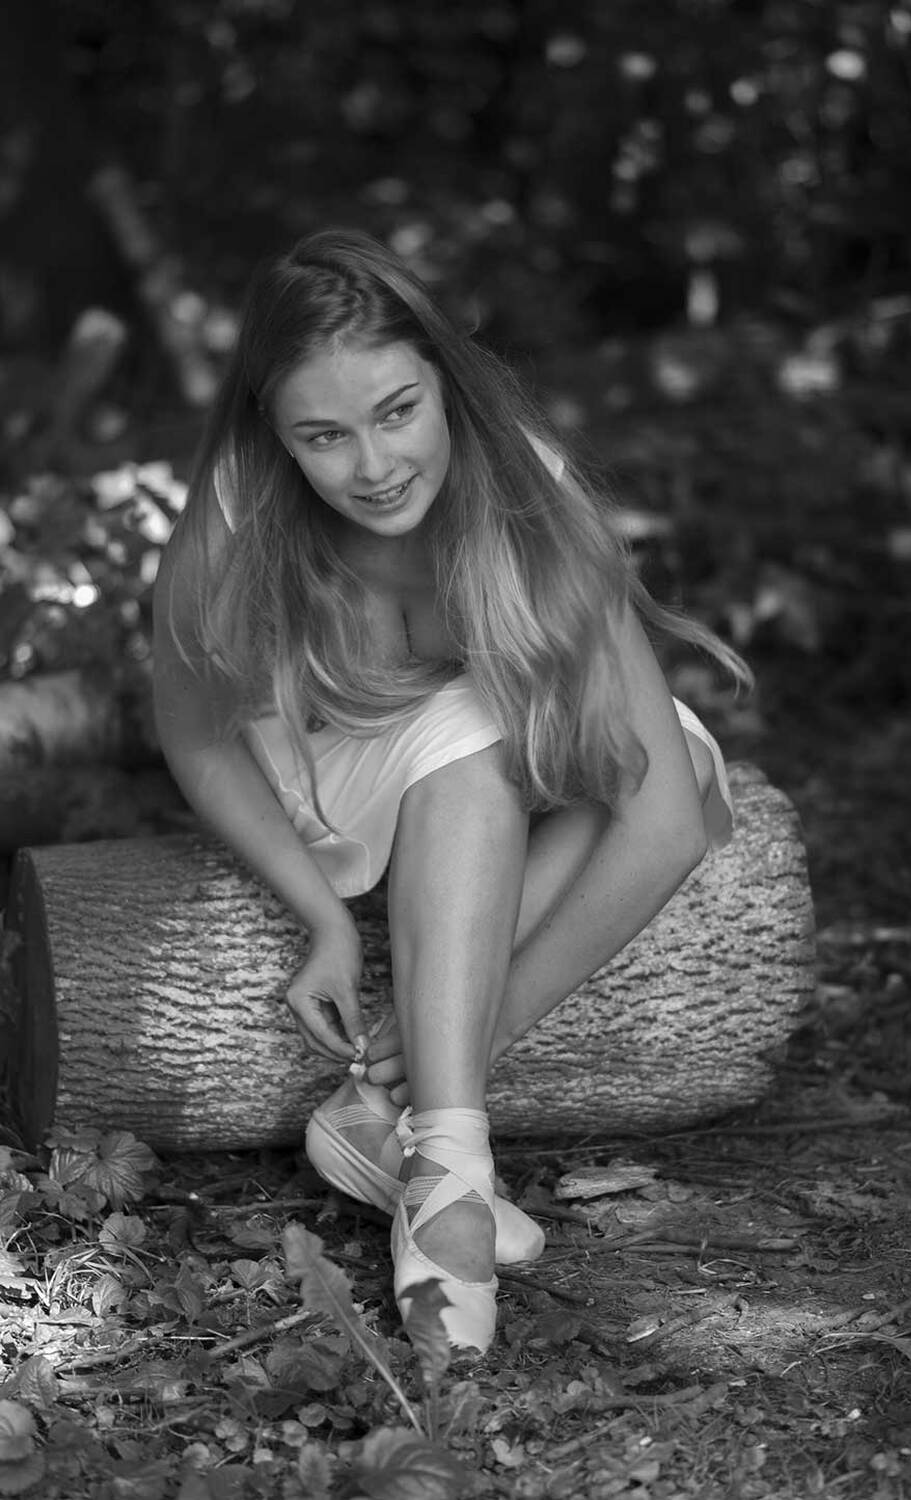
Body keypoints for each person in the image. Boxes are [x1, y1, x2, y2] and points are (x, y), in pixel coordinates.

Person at [151, 227, 751, 1357]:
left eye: (397, 412)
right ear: (275, 435)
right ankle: (453, 1178)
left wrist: (458, 1048)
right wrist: (322, 917)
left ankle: (412, 1132)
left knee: (668, 746)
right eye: (323, 436)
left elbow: (667, 823)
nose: (373, 465)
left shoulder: (528, 494)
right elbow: (193, 735)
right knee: (482, 727)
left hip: (485, 770)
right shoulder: (238, 515)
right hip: (334, 776)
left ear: (448, 384)